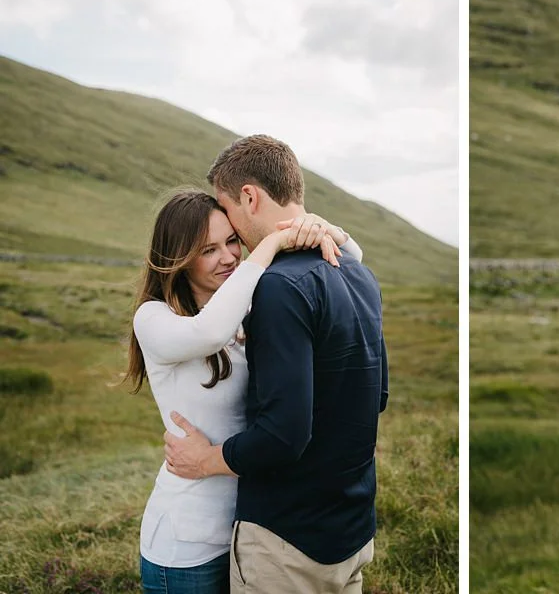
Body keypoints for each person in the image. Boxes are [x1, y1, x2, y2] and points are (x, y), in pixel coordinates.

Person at [161, 135, 390, 594]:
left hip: (288, 542)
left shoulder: (278, 287)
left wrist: (207, 460)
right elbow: (377, 397)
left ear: (249, 196)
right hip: (351, 533)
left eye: (227, 210)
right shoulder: (360, 274)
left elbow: (284, 435)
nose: (232, 238)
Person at [126, 188, 356, 593]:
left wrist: (325, 229)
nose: (230, 256)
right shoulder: (154, 318)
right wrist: (269, 246)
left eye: (232, 241)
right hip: (186, 545)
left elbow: (352, 263)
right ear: (177, 260)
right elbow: (209, 331)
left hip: (247, 534)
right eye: (208, 250)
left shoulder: (250, 308)